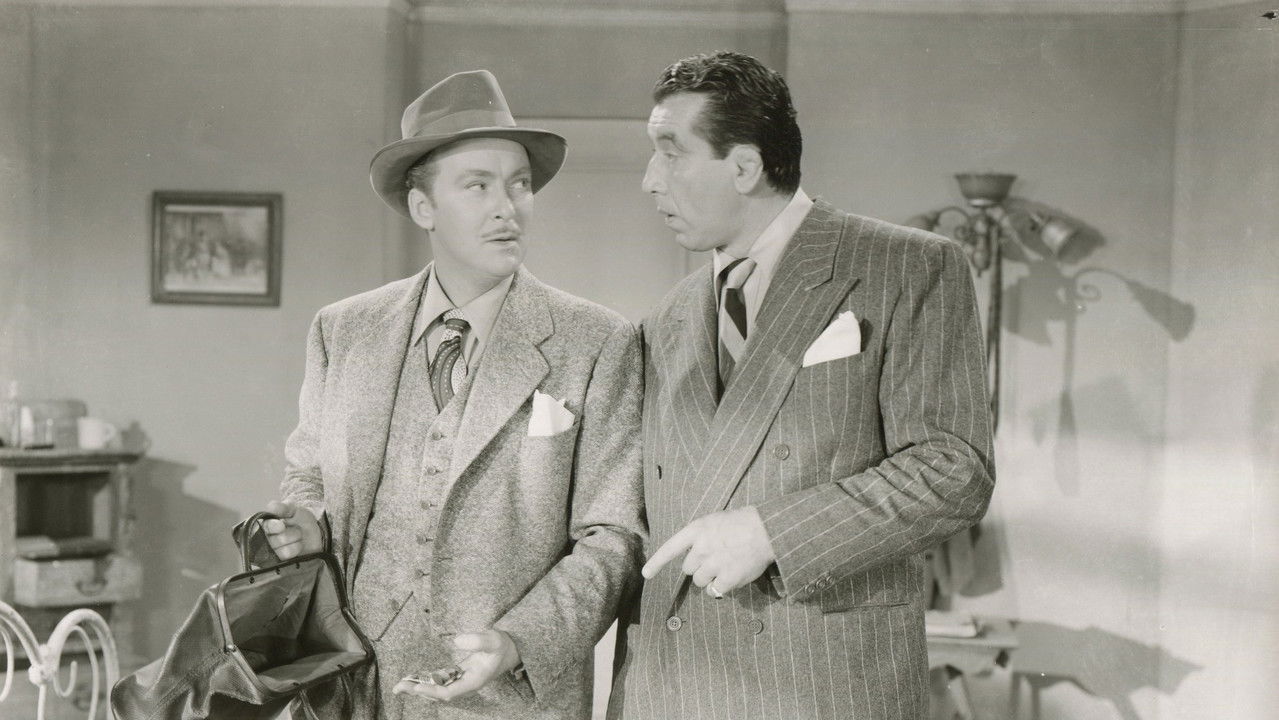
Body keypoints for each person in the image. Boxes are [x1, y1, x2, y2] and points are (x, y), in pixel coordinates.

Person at [609, 52, 995, 719]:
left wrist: (772, 534)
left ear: (743, 167)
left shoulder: (908, 266)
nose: (649, 181)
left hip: (818, 684)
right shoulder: (662, 321)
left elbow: (953, 469)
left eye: (670, 154)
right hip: (670, 686)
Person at [259, 70, 645, 720]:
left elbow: (614, 536)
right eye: (478, 185)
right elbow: (310, 478)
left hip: (510, 698)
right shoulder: (343, 330)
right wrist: (307, 525)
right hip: (353, 689)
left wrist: (519, 640)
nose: (507, 207)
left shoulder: (597, 340)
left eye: (520, 184)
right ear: (423, 208)